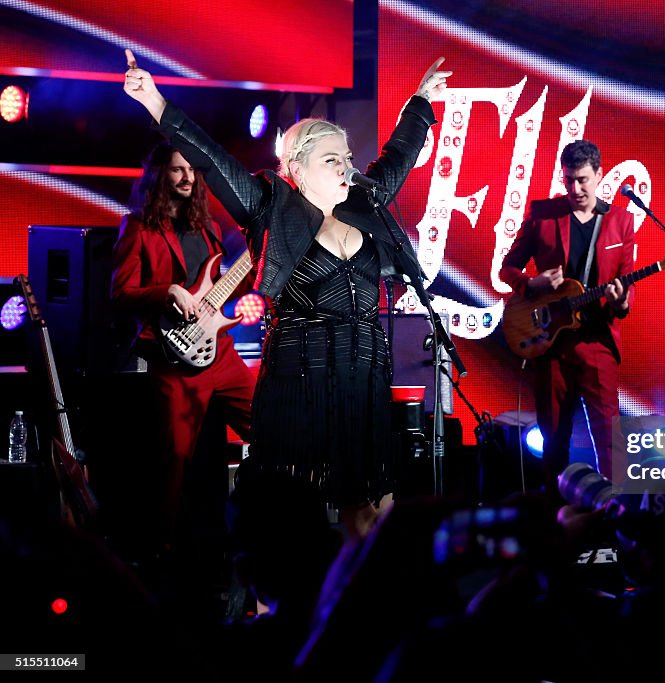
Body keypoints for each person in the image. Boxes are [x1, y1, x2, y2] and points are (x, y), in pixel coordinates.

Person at [123, 49, 451, 539]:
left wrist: (420, 104)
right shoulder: (268, 206)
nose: (345, 167)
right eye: (331, 159)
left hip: (364, 377)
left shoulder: (364, 204)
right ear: (296, 167)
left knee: (375, 509)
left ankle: (361, 606)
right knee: (293, 515)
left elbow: (399, 155)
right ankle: (281, 602)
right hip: (301, 378)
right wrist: (154, 101)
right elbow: (211, 159)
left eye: (347, 158)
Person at [111, 140, 256, 551]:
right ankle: (162, 555)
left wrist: (255, 267)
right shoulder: (138, 227)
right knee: (173, 462)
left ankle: (261, 525)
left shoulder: (207, 227)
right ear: (160, 175)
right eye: (177, 169)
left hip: (220, 353)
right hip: (173, 358)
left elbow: (221, 290)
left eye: (192, 170)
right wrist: (168, 291)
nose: (188, 177)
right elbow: (120, 294)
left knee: (267, 427)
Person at [499, 140, 634, 492]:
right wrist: (532, 283)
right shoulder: (543, 214)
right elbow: (507, 268)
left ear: (599, 175)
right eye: (569, 180)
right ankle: (554, 514)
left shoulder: (621, 221)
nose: (575, 188)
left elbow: (626, 285)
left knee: (609, 435)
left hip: (597, 341)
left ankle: (613, 509)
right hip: (551, 343)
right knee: (554, 435)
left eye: (583, 180)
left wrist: (620, 303)